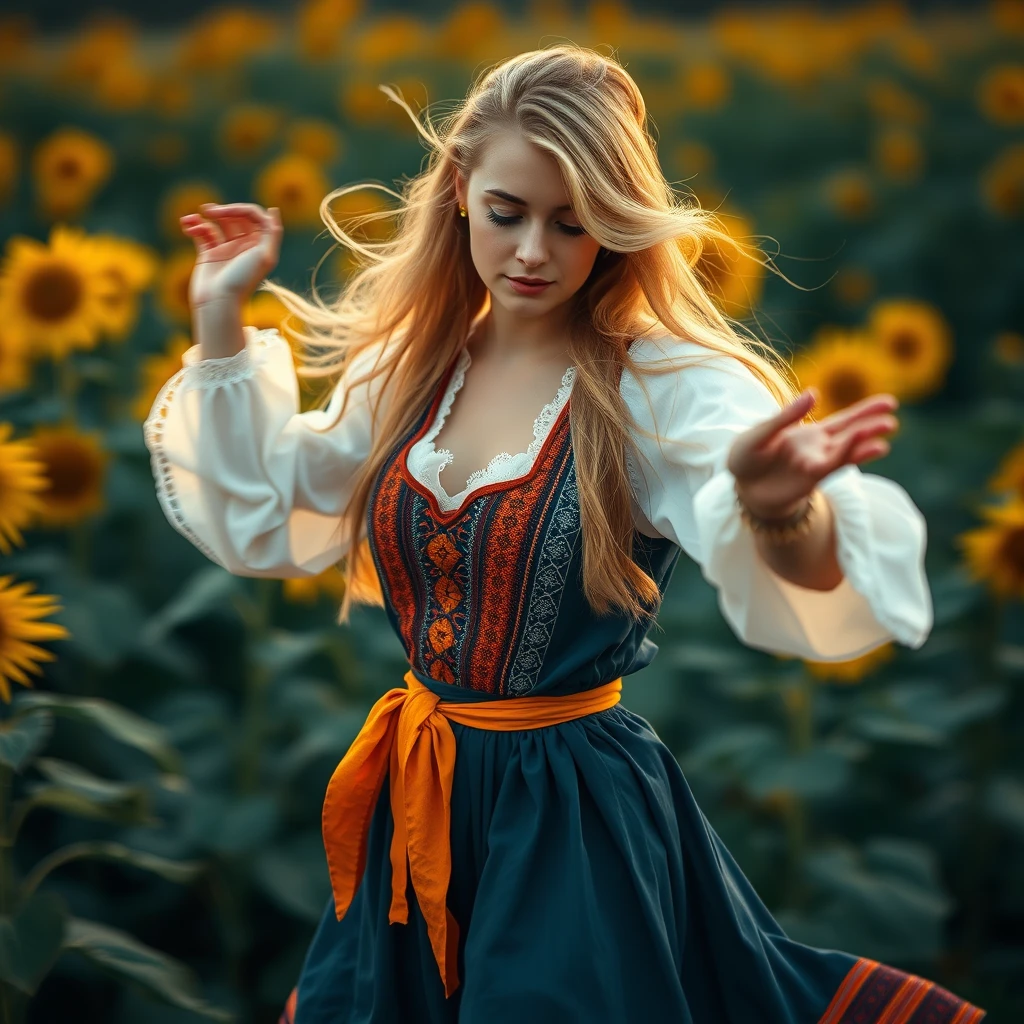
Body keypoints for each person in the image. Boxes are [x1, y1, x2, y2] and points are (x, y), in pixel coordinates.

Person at [143, 43, 985, 1024]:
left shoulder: (657, 387)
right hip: (419, 804)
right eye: (508, 213)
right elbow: (265, 509)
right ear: (459, 190)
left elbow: (791, 565)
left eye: (573, 223)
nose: (534, 251)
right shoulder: (408, 372)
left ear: (616, 231)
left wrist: (777, 504)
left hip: (572, 821)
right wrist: (218, 314)